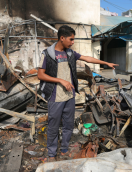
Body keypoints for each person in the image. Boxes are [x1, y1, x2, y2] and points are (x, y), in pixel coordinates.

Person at [37, 25, 118, 162]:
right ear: (62, 38)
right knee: (53, 126)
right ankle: (51, 154)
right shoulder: (47, 54)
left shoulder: (70, 53)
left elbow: (87, 58)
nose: (73, 42)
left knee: (68, 125)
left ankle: (63, 148)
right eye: (71, 39)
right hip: (55, 96)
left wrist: (105, 62)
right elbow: (40, 74)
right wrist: (60, 80)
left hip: (70, 96)